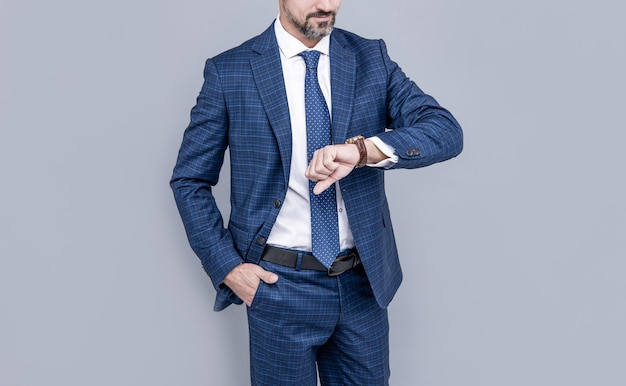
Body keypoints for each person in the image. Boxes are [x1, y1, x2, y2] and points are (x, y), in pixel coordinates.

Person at [170, 0, 463, 384]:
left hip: (362, 285)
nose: (325, 5)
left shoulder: (370, 58)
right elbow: (189, 180)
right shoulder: (231, 71)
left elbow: (445, 131)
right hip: (277, 288)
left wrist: (363, 151)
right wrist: (228, 267)